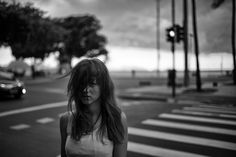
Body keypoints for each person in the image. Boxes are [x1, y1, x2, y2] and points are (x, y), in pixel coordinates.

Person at [60, 58, 128, 157]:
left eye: (92, 84)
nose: (85, 90)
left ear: (103, 86)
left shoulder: (117, 119)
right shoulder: (66, 120)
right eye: (81, 84)